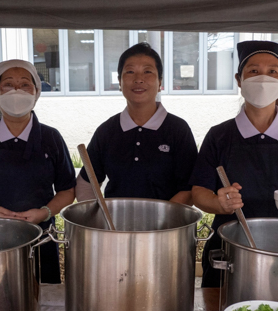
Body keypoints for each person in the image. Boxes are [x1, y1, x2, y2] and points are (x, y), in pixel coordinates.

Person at [190, 40, 278, 287]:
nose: (263, 78)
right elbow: (199, 192)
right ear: (239, 79)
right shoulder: (219, 136)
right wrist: (218, 203)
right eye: (253, 71)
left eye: (272, 71)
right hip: (229, 248)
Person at [0, 59, 76, 284]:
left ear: (37, 92)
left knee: (44, 301)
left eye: (25, 84)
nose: (16, 90)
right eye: (8, 84)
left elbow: (67, 191)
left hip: (41, 241)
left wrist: (44, 213)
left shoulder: (51, 138)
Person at [75, 43, 197, 205]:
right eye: (130, 72)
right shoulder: (107, 131)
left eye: (148, 72)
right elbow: (86, 182)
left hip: (166, 227)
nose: (139, 79)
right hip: (116, 226)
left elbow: (189, 189)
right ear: (119, 82)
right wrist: (100, 218)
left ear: (160, 82)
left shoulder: (177, 130)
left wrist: (161, 221)